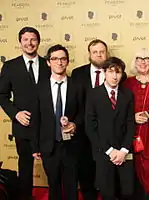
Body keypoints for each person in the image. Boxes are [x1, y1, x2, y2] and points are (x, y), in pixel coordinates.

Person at [0, 26, 50, 200]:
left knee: (53, 168)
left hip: (47, 127)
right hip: (23, 126)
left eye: (33, 39)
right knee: (26, 169)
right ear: (20, 42)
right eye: (26, 40)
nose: (30, 43)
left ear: (38, 42)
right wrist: (16, 114)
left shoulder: (48, 64)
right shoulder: (10, 66)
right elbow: (2, 95)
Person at [32, 44, 83, 200]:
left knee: (71, 187)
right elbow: (36, 118)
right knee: (53, 186)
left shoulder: (78, 85)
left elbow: (84, 113)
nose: (59, 62)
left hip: (72, 146)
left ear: (67, 61)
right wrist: (35, 146)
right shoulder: (40, 87)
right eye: (55, 59)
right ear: (48, 62)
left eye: (63, 59)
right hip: (49, 146)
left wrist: (75, 124)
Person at [86, 57, 135, 200]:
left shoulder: (127, 95)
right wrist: (110, 150)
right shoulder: (93, 95)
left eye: (118, 72)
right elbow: (91, 127)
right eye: (111, 71)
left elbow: (130, 123)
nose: (115, 76)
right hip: (104, 153)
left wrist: (124, 150)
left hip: (124, 154)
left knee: (127, 192)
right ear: (104, 72)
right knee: (107, 193)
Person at [123, 48, 149, 200]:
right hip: (134, 133)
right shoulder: (127, 83)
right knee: (134, 170)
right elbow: (120, 109)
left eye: (147, 58)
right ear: (135, 62)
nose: (143, 62)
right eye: (139, 58)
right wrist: (132, 117)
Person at [71, 39, 109, 200]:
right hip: (83, 132)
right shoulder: (77, 74)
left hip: (108, 132)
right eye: (95, 52)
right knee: (86, 172)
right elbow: (74, 103)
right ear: (89, 54)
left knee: (108, 174)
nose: (99, 55)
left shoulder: (115, 72)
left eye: (102, 51)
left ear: (106, 54)